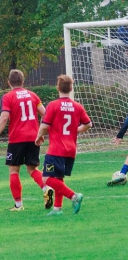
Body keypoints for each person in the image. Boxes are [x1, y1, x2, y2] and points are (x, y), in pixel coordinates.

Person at [35, 75, 92, 216]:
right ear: (71, 88)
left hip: (56, 149)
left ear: (57, 87)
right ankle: (57, 209)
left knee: (46, 178)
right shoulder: (77, 106)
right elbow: (88, 124)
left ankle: (74, 196)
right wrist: (76, 130)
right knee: (59, 177)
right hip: (71, 149)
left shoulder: (53, 105)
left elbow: (44, 126)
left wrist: (38, 136)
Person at [0, 69, 53, 211]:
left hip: (17, 138)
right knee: (32, 169)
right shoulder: (33, 95)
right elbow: (46, 115)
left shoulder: (8, 97)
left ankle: (18, 205)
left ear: (8, 82)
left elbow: (4, 118)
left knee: (13, 170)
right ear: (23, 82)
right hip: (33, 137)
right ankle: (46, 188)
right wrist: (41, 132)